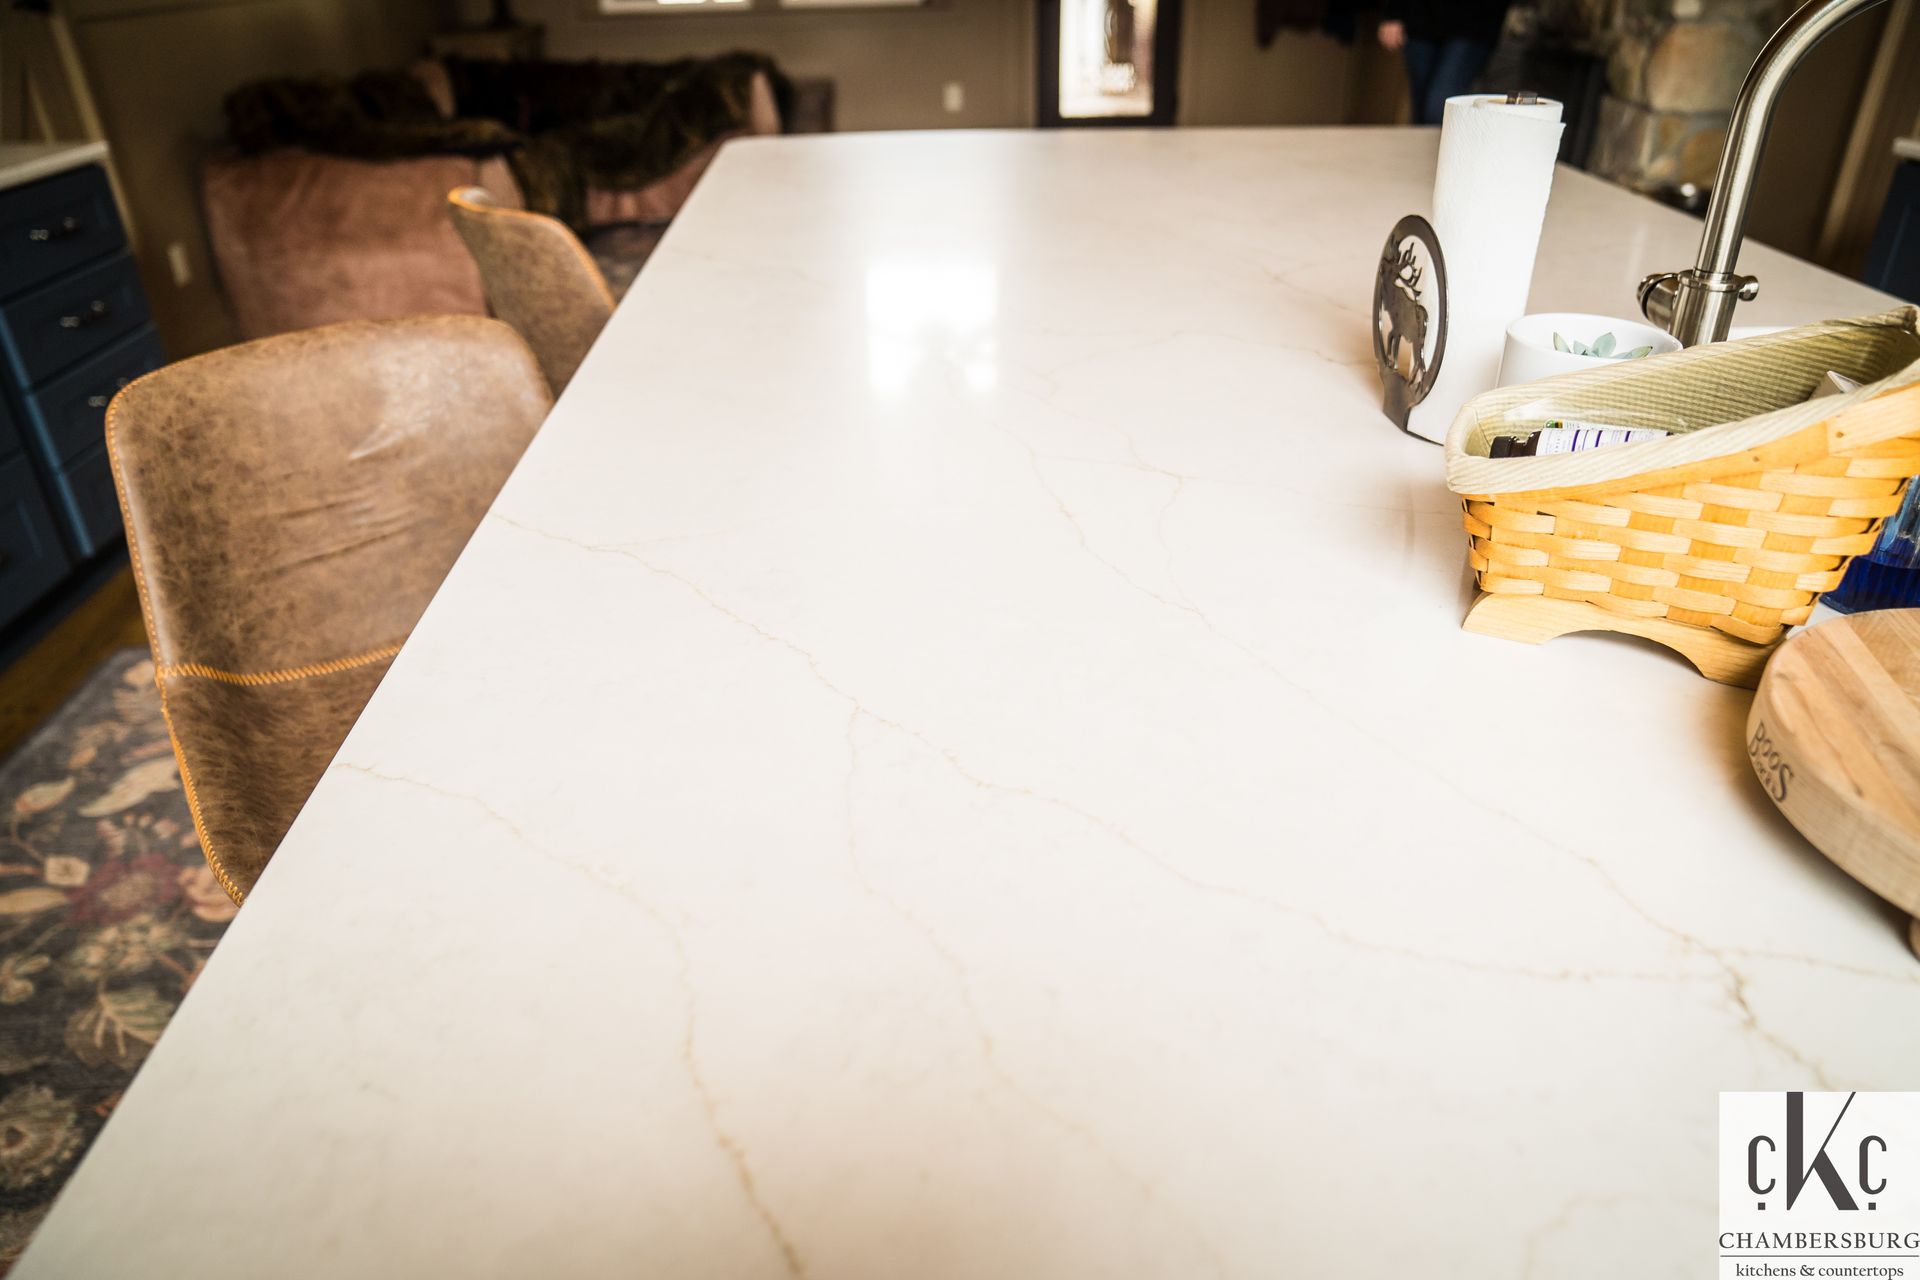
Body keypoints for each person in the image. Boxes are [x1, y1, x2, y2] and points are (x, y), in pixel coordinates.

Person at [1378, 0, 1511, 125]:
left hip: (1474, 24)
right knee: (1420, 107)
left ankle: (1440, 148)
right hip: (1419, 20)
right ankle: (1423, 149)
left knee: (1439, 107)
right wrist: (1392, 13)